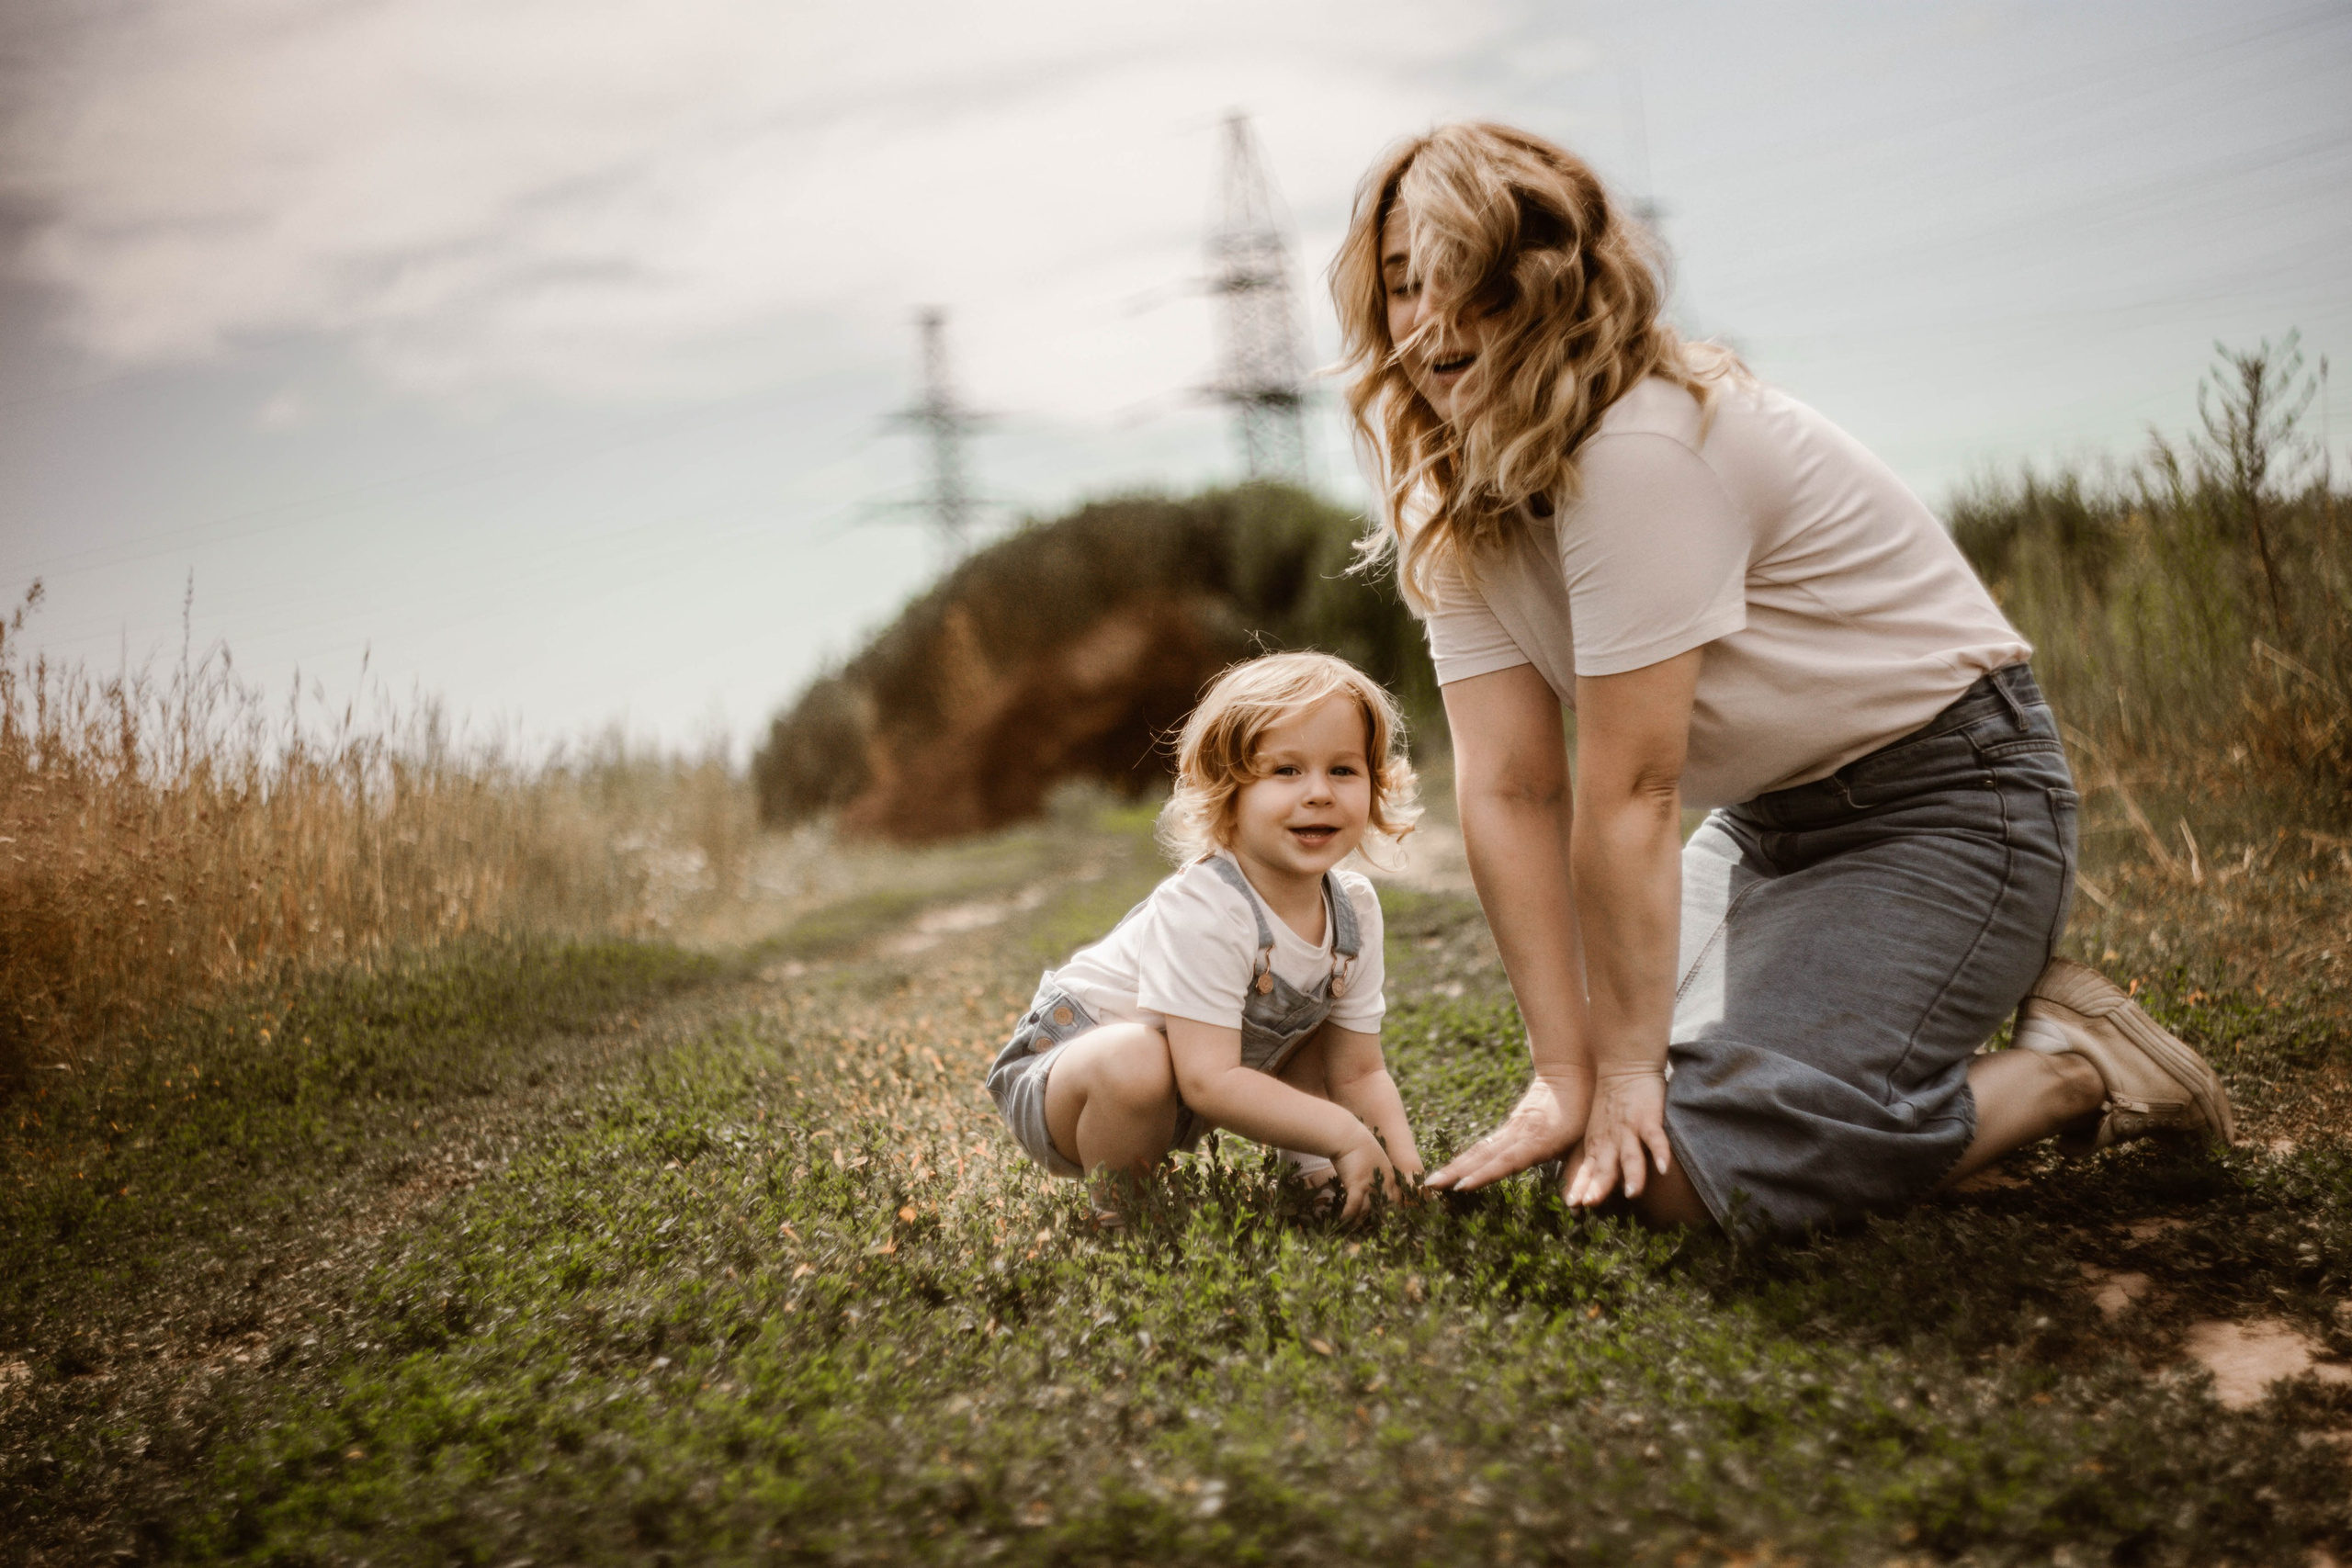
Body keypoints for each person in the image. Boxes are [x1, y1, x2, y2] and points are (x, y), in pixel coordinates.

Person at [1329, 121, 2235, 1236]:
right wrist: (1567, 1073)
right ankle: (1858, 1103)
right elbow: (1512, 784)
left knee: (1671, 1174)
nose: (1429, 322)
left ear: (1549, 280)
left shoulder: (1639, 445)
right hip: (1766, 829)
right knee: (1604, 1145)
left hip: (1949, 808)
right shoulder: (1448, 488)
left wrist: (1628, 1073)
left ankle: (2075, 1068)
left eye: (1463, 279)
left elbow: (1631, 791)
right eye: (1402, 286)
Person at [985, 651, 1425, 1221]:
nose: (1319, 792)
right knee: (1136, 1058)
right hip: (1072, 1077)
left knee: (1318, 1014)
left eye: (1343, 770)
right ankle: (1124, 1218)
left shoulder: (1354, 912)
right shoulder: (1206, 906)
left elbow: (1360, 1073)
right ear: (1228, 793)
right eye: (1285, 771)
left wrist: (1409, 1180)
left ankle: (1315, 1179)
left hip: (1186, 1084)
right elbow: (1210, 1081)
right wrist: (1343, 1132)